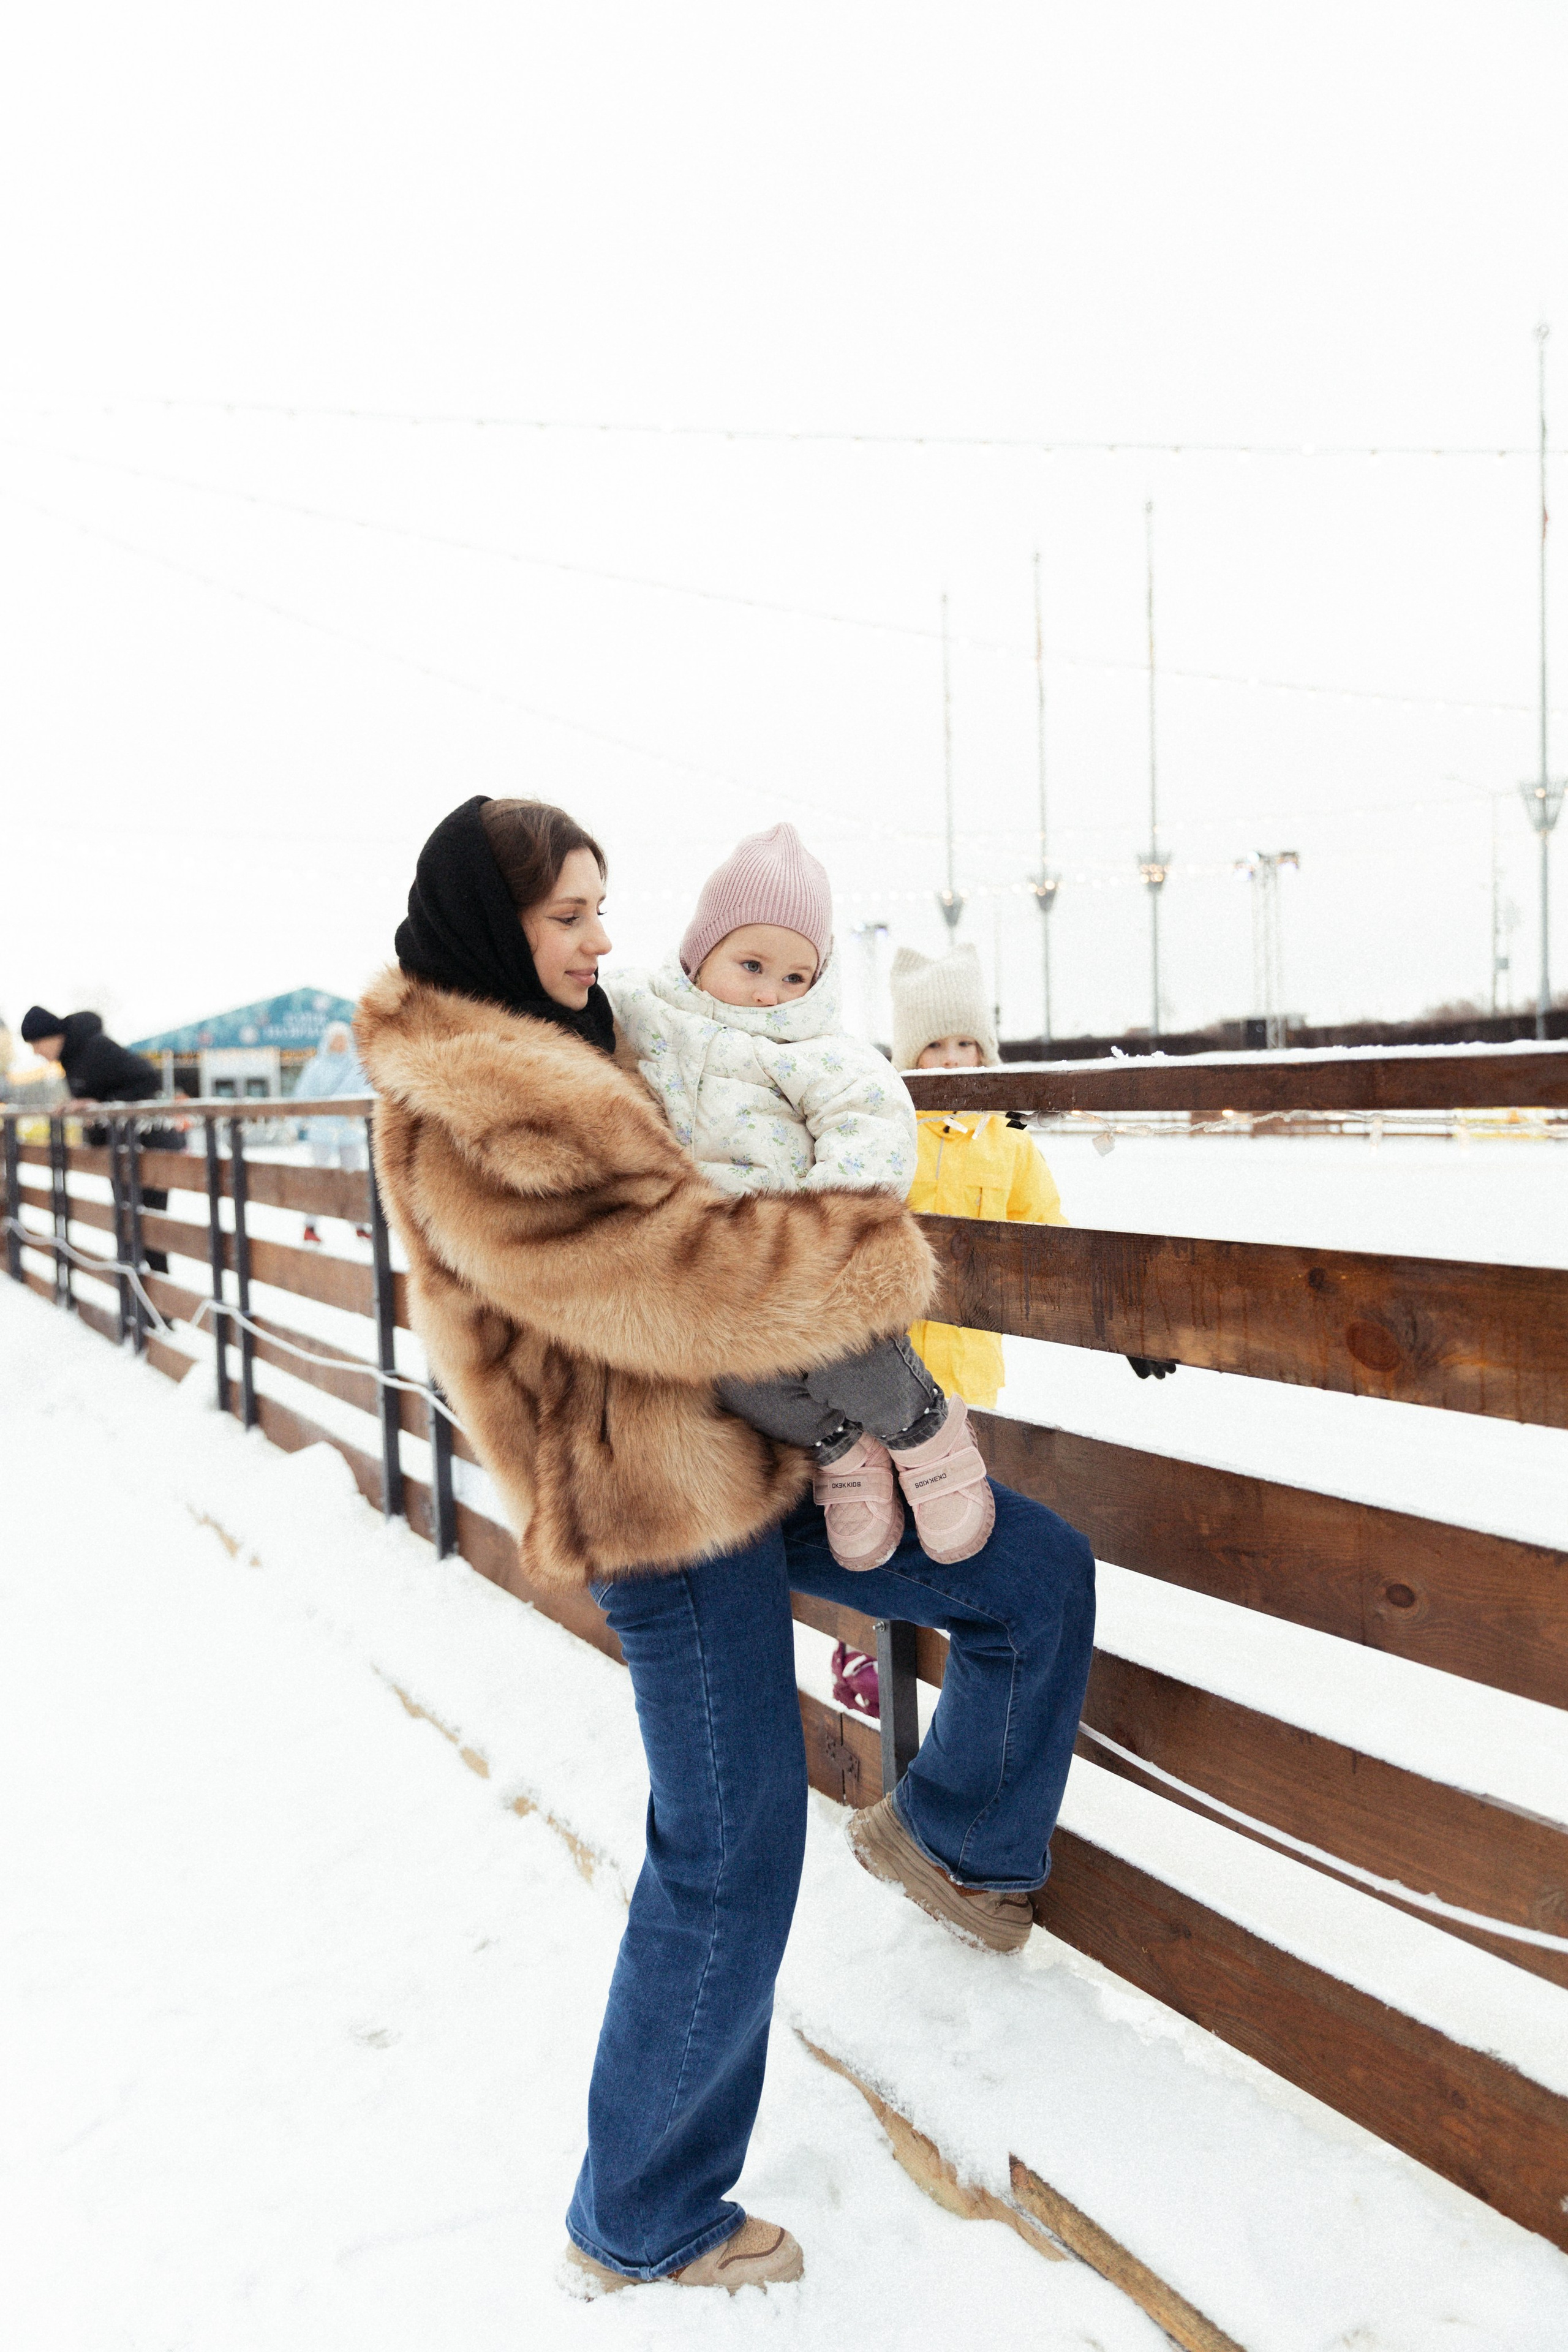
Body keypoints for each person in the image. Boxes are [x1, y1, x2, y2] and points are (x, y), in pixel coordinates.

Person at [355, 796, 1095, 2298]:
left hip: (764, 1464)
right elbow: (686, 1280)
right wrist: (874, 1252)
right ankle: (641, 2209)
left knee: (1032, 1571)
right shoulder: (476, 1105)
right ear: (496, 925)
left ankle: (952, 1838)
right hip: (657, 1506)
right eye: (569, 916)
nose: (601, 938)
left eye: (600, 909)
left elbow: (732, 1108)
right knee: (731, 1844)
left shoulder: (591, 1039)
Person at [608, 825, 996, 1574]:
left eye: (794, 977)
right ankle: (842, 1452)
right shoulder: (646, 1009)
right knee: (740, 1375)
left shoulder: (820, 1052)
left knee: (850, 1351)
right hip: (712, 1268)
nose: (768, 992)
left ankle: (922, 1434)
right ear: (699, 952)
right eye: (749, 964)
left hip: (798, 1249)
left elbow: (871, 1126)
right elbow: (565, 1008)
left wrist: (823, 1229)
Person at [892, 944, 1178, 1394]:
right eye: (935, 1045)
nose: (952, 1059)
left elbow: (1050, 1240)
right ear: (910, 1056)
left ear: (984, 1053)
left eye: (965, 1043)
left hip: (973, 1378)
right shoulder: (890, 1136)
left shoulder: (1009, 1140)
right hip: (888, 1376)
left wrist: (1124, 1322)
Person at [18, 1006, 186, 1274]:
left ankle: (157, 1306)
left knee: (148, 1230)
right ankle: (137, 1300)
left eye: (37, 1044)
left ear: (52, 1035)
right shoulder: (71, 1058)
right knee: (129, 1228)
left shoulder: (94, 1047)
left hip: (147, 1146)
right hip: (121, 1150)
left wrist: (101, 1105)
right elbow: (98, 1091)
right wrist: (82, 1107)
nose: (37, 1052)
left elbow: (147, 1079)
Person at [291, 1019, 371, 1245]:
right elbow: (303, 1096)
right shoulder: (316, 1067)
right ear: (328, 1041)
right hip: (322, 1131)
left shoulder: (357, 1067)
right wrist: (294, 1126)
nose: (340, 1044)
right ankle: (310, 1226)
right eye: (336, 1039)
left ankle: (360, 1225)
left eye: (343, 1039)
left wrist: (358, 1111)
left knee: (354, 1177)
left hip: (349, 1131)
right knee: (320, 1178)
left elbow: (366, 1092)